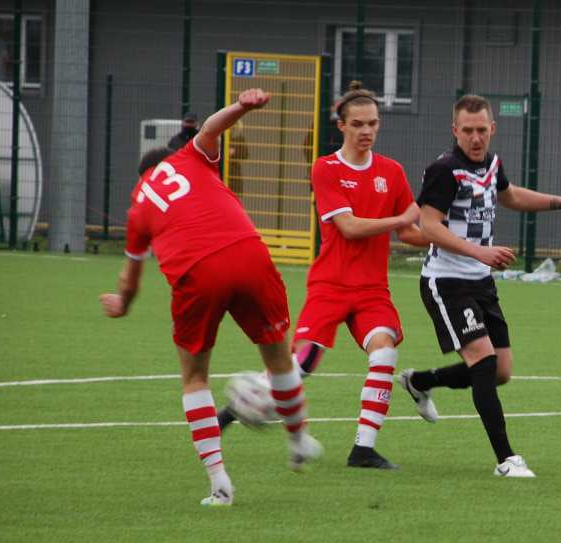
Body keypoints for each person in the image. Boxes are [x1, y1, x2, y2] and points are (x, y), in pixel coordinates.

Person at [99, 88, 322, 507]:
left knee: (195, 377)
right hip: (247, 253)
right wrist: (242, 105)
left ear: (141, 176)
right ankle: (300, 440)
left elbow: (130, 281)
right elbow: (211, 128)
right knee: (277, 360)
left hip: (196, 273)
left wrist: (121, 304)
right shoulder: (187, 158)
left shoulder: (138, 207)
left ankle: (220, 484)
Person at [218, 82, 427, 470]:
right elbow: (348, 227)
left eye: (373, 124)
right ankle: (233, 410)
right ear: (342, 126)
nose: (367, 131)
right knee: (303, 364)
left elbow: (410, 231)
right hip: (330, 284)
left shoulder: (392, 172)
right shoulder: (325, 168)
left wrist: (442, 238)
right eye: (359, 124)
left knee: (385, 352)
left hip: (372, 289)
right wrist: (402, 218)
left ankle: (363, 449)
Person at [397, 94, 561, 478]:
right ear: (454, 130)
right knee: (483, 359)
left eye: (481, 130)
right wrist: (479, 252)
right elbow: (427, 226)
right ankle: (507, 459)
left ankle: (419, 381)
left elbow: (510, 196)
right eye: (467, 131)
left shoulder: (492, 164)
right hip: (446, 281)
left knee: (500, 371)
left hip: (481, 282)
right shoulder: (444, 170)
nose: (475, 138)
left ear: (492, 129)